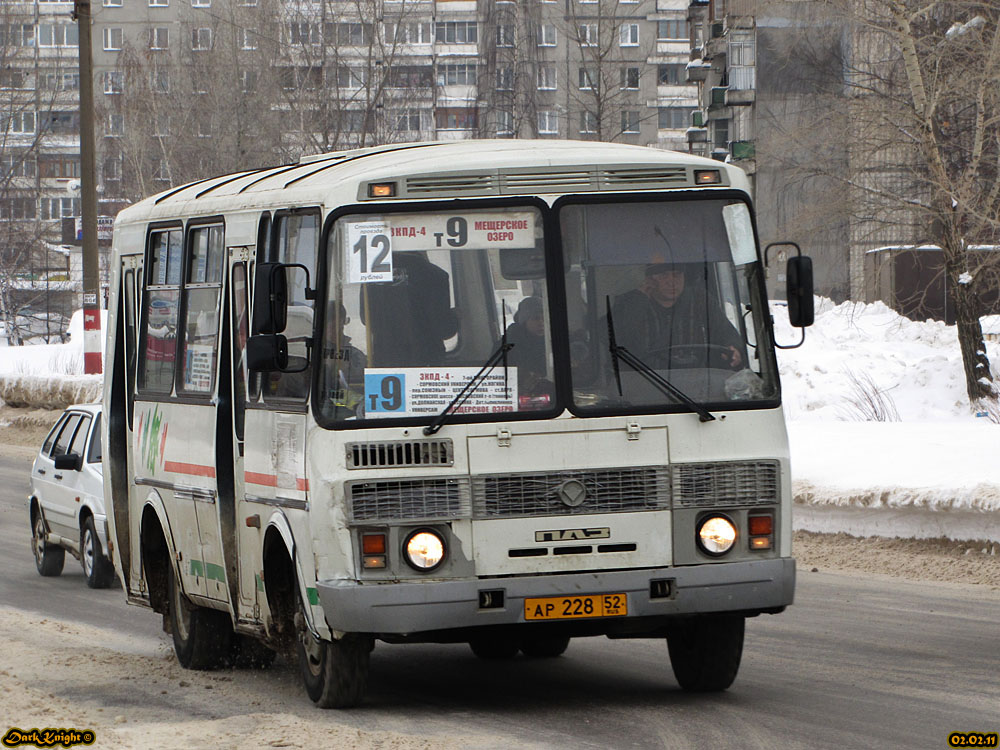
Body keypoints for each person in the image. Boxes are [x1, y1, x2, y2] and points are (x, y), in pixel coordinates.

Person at [611, 263, 744, 370]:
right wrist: (637, 301)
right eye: (663, 275)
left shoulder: (700, 301)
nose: (672, 282)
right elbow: (612, 338)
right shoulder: (630, 305)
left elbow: (725, 332)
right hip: (645, 384)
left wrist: (734, 348)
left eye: (677, 275)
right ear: (649, 279)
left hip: (696, 383)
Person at [504, 296, 550, 394]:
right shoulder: (508, 344)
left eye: (544, 318)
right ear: (524, 321)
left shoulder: (551, 341)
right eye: (536, 318)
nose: (541, 323)